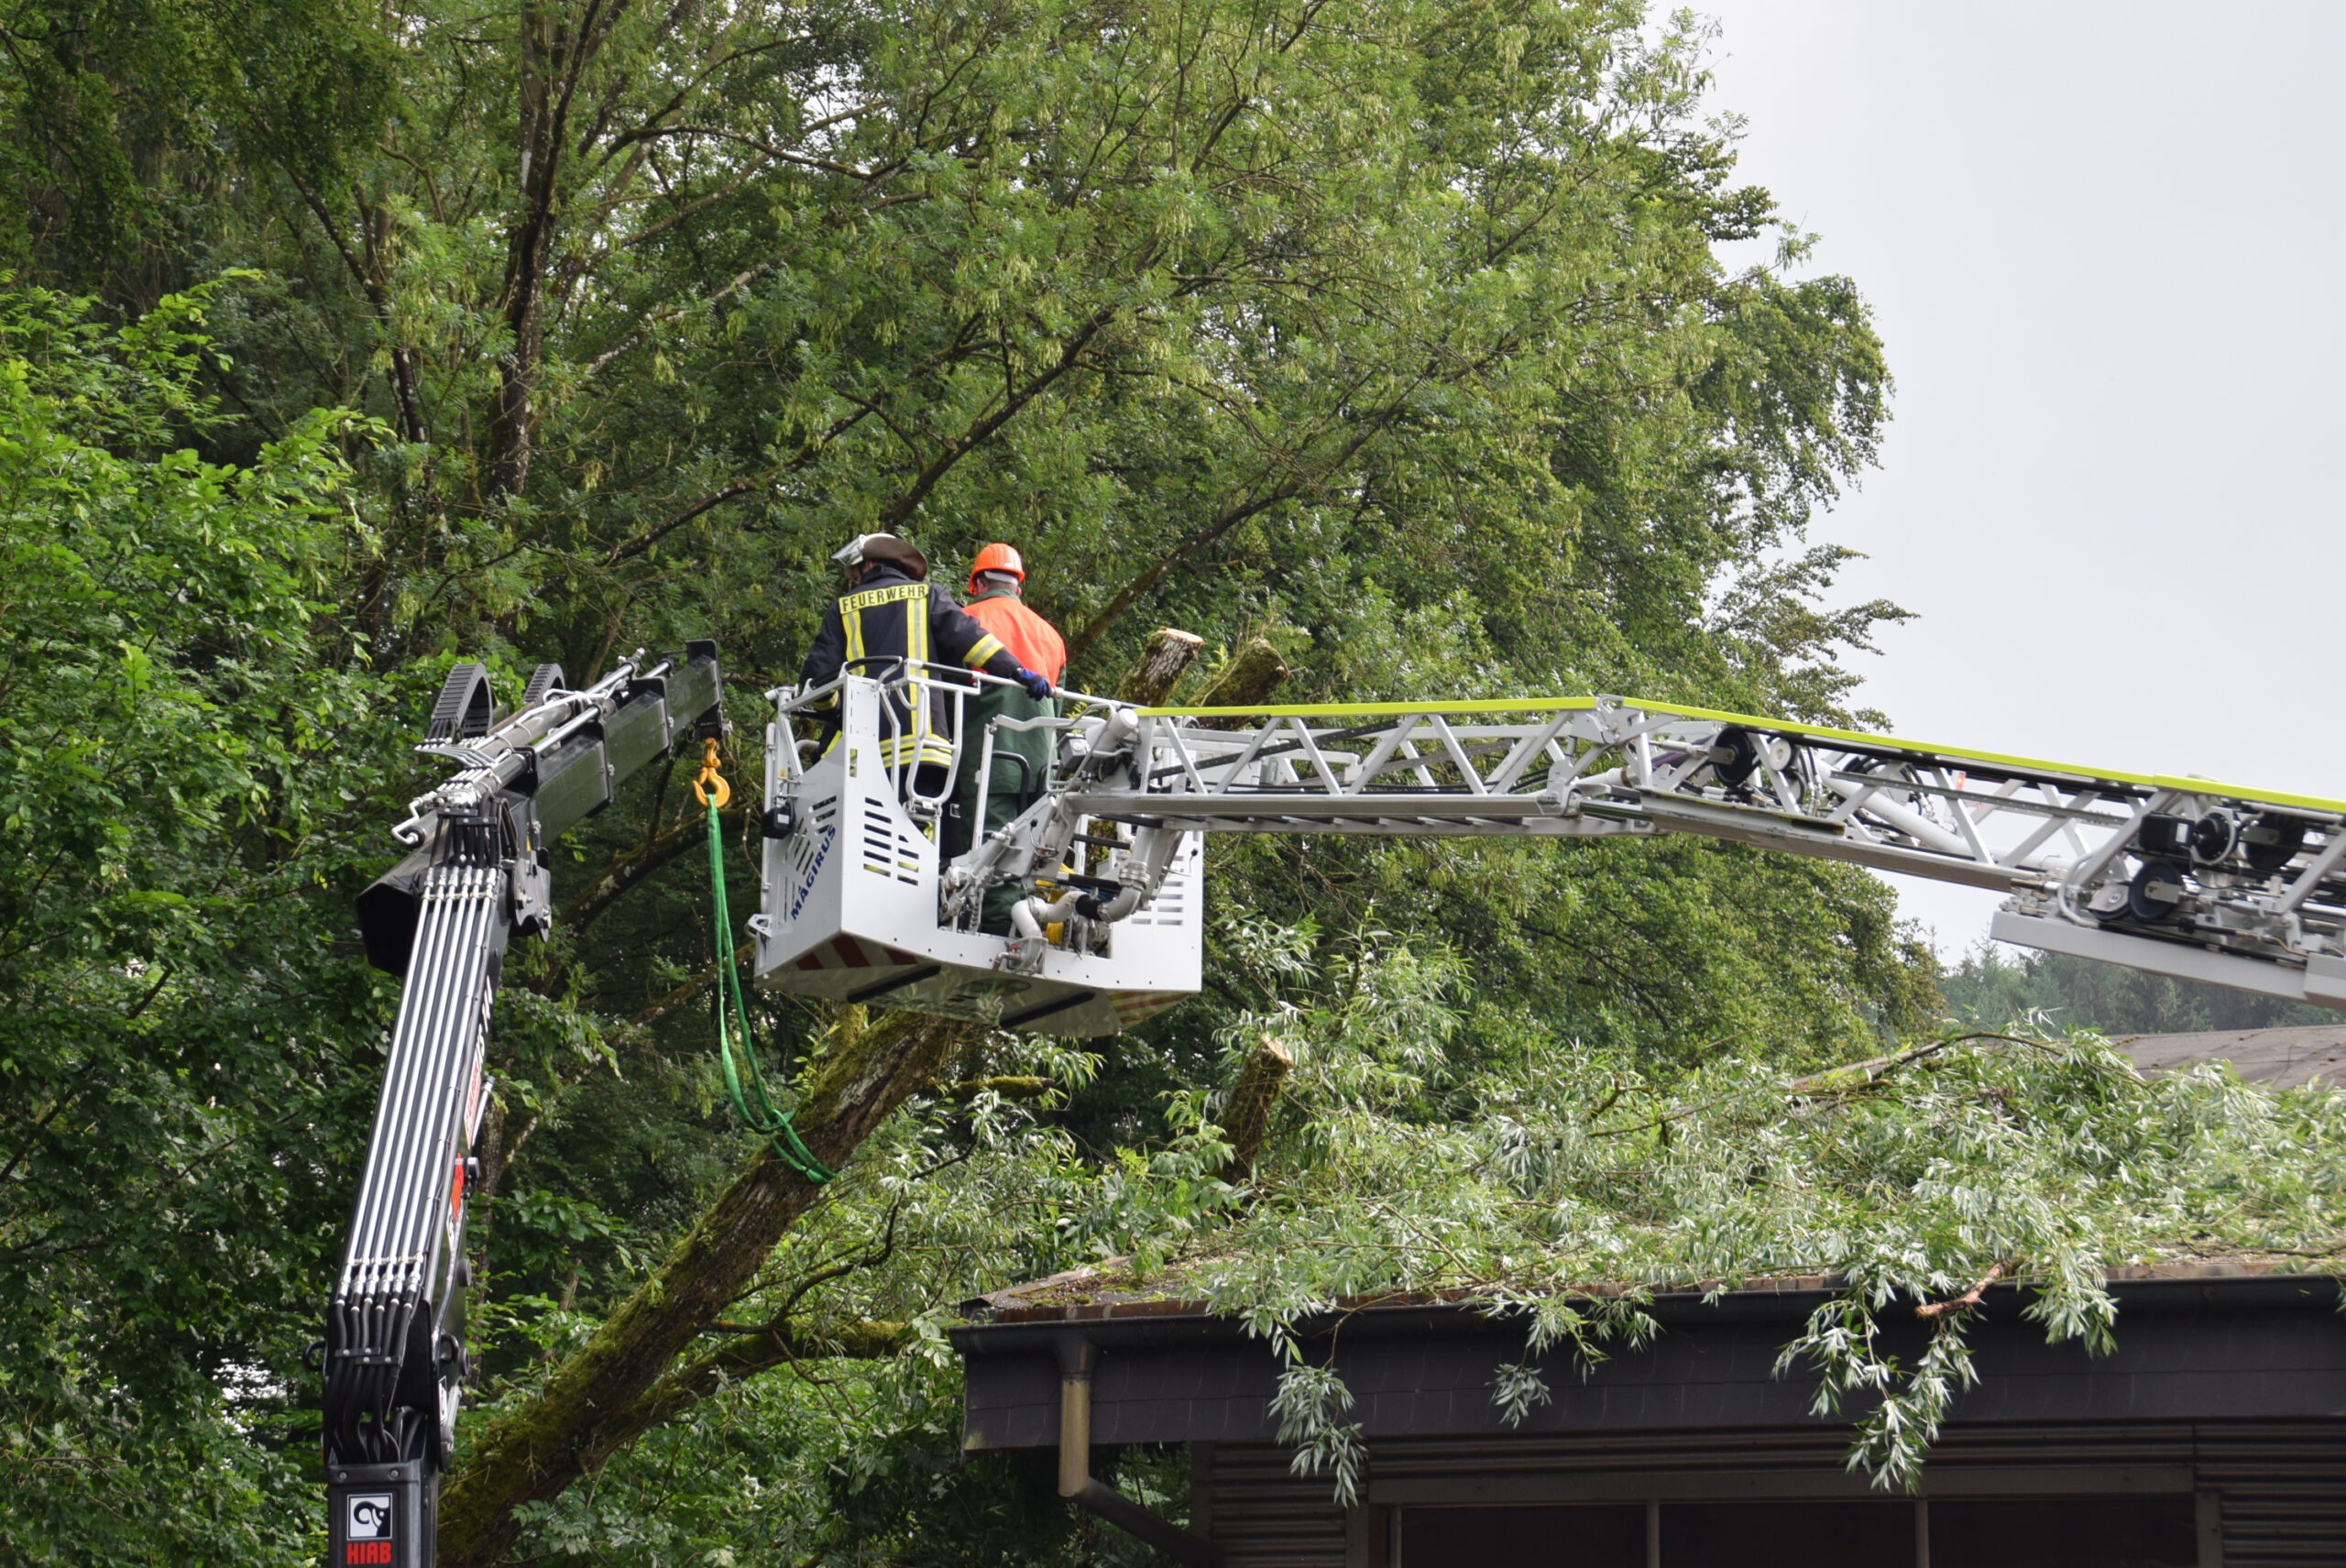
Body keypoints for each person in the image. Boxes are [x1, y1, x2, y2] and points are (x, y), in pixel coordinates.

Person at [798, 532, 1052, 803]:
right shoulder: (928, 595)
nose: (855, 579)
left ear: (870, 564)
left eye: (856, 571)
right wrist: (1016, 670)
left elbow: (819, 676)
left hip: (866, 752)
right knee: (921, 827)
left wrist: (835, 714)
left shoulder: (843, 607)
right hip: (925, 748)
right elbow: (968, 638)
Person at [940, 544, 1069, 930]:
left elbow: (944, 694)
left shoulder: (966, 620)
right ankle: (1032, 921)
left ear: (977, 582)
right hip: (1041, 763)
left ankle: (997, 933)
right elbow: (1057, 709)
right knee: (1029, 852)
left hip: (988, 756)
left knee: (991, 850)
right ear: (1018, 586)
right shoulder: (1050, 634)